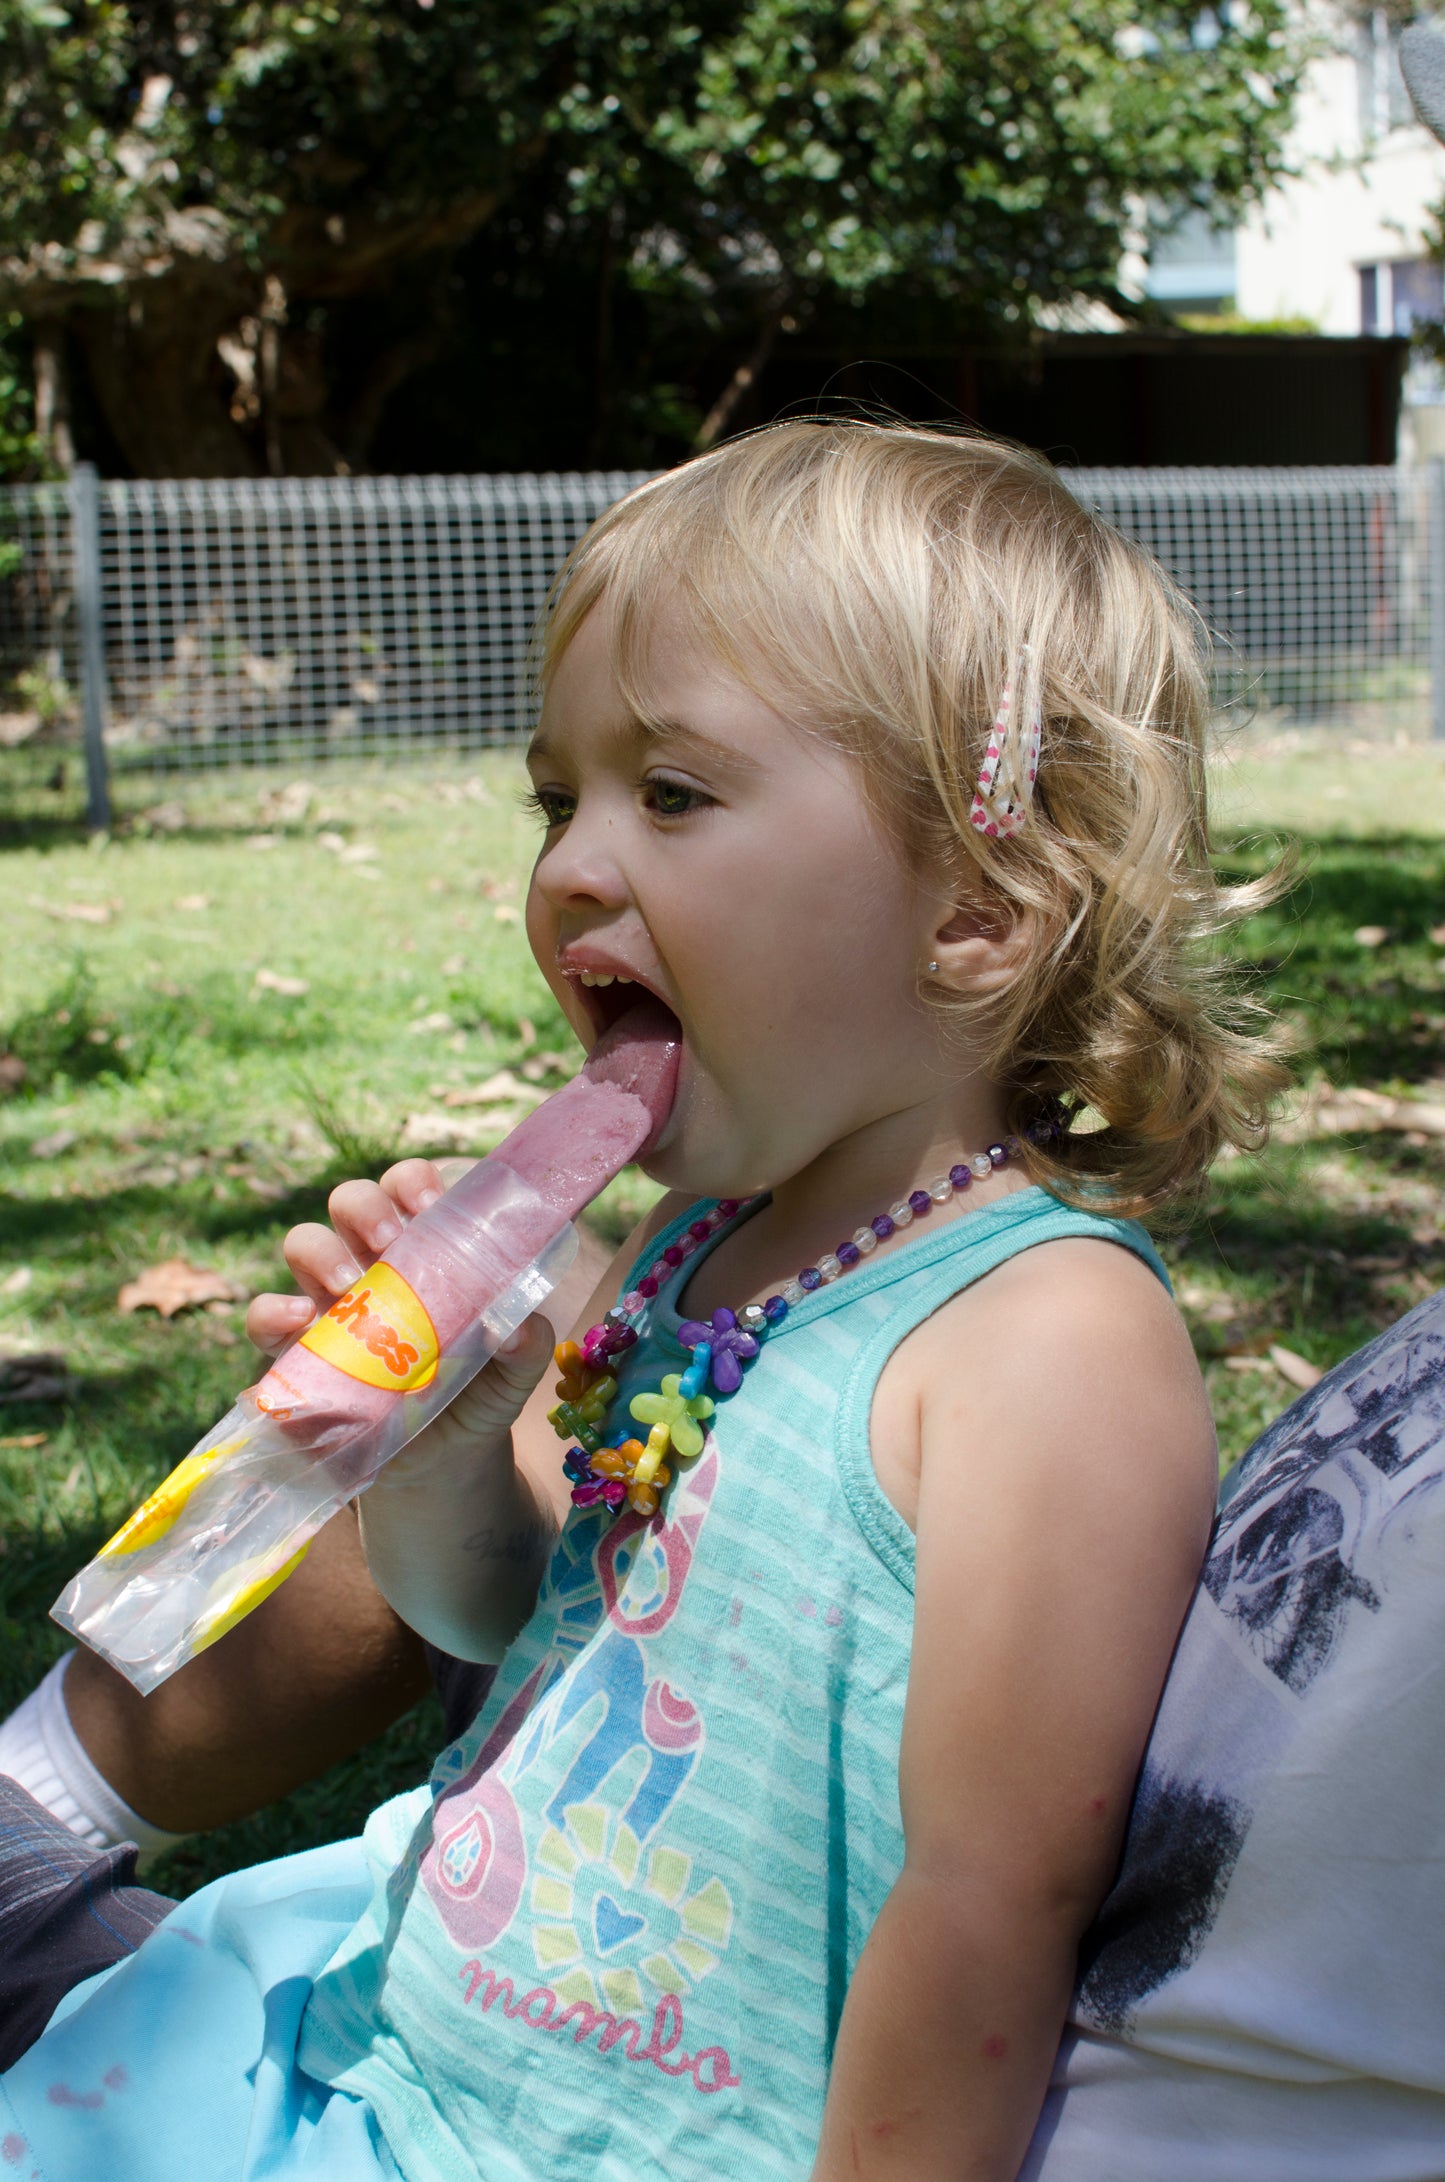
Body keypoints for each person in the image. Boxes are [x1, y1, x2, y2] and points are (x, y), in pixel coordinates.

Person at [0, 420, 1284, 2180]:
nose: (573, 868)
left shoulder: (1040, 1341)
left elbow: (990, 1898)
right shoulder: (696, 1238)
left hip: (641, 2140)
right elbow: (511, 1619)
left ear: (979, 911)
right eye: (561, 799)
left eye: (669, 795)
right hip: (408, 2043)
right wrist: (447, 1460)